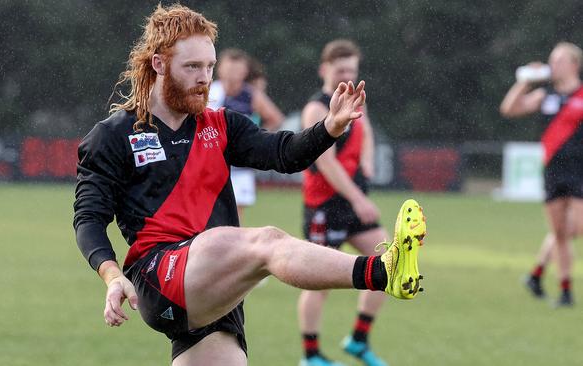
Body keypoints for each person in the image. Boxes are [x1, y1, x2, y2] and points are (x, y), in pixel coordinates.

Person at [73, 5, 426, 366]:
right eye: (192, 66)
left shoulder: (222, 124)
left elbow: (284, 154)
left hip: (214, 291)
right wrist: (111, 274)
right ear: (159, 64)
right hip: (160, 276)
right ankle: (383, 271)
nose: (204, 78)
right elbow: (88, 218)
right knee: (267, 242)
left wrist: (330, 128)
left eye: (209, 67)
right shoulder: (113, 136)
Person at [297, 40, 388, 366]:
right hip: (325, 205)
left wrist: (368, 162)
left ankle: (359, 340)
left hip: (353, 204)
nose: (346, 75)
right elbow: (326, 163)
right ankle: (311, 356)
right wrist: (358, 197)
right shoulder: (317, 108)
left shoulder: (355, 101)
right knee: (318, 283)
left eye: (351, 70)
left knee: (390, 263)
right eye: (340, 70)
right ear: (325, 70)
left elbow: (366, 130)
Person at [500, 42, 583, 307]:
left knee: (575, 228)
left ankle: (537, 274)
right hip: (554, 172)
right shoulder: (544, 96)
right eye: (551, 61)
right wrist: (525, 81)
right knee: (559, 234)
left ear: (574, 65)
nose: (553, 65)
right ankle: (565, 291)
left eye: (559, 61)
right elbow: (509, 109)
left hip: (580, 172)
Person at [207, 48, 285, 220]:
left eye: (237, 70)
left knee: (235, 213)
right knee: (208, 208)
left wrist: (256, 139)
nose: (232, 74)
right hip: (211, 160)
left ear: (244, 72)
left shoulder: (251, 95)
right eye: (229, 69)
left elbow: (275, 118)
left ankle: (232, 244)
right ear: (219, 69)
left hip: (240, 165)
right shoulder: (210, 91)